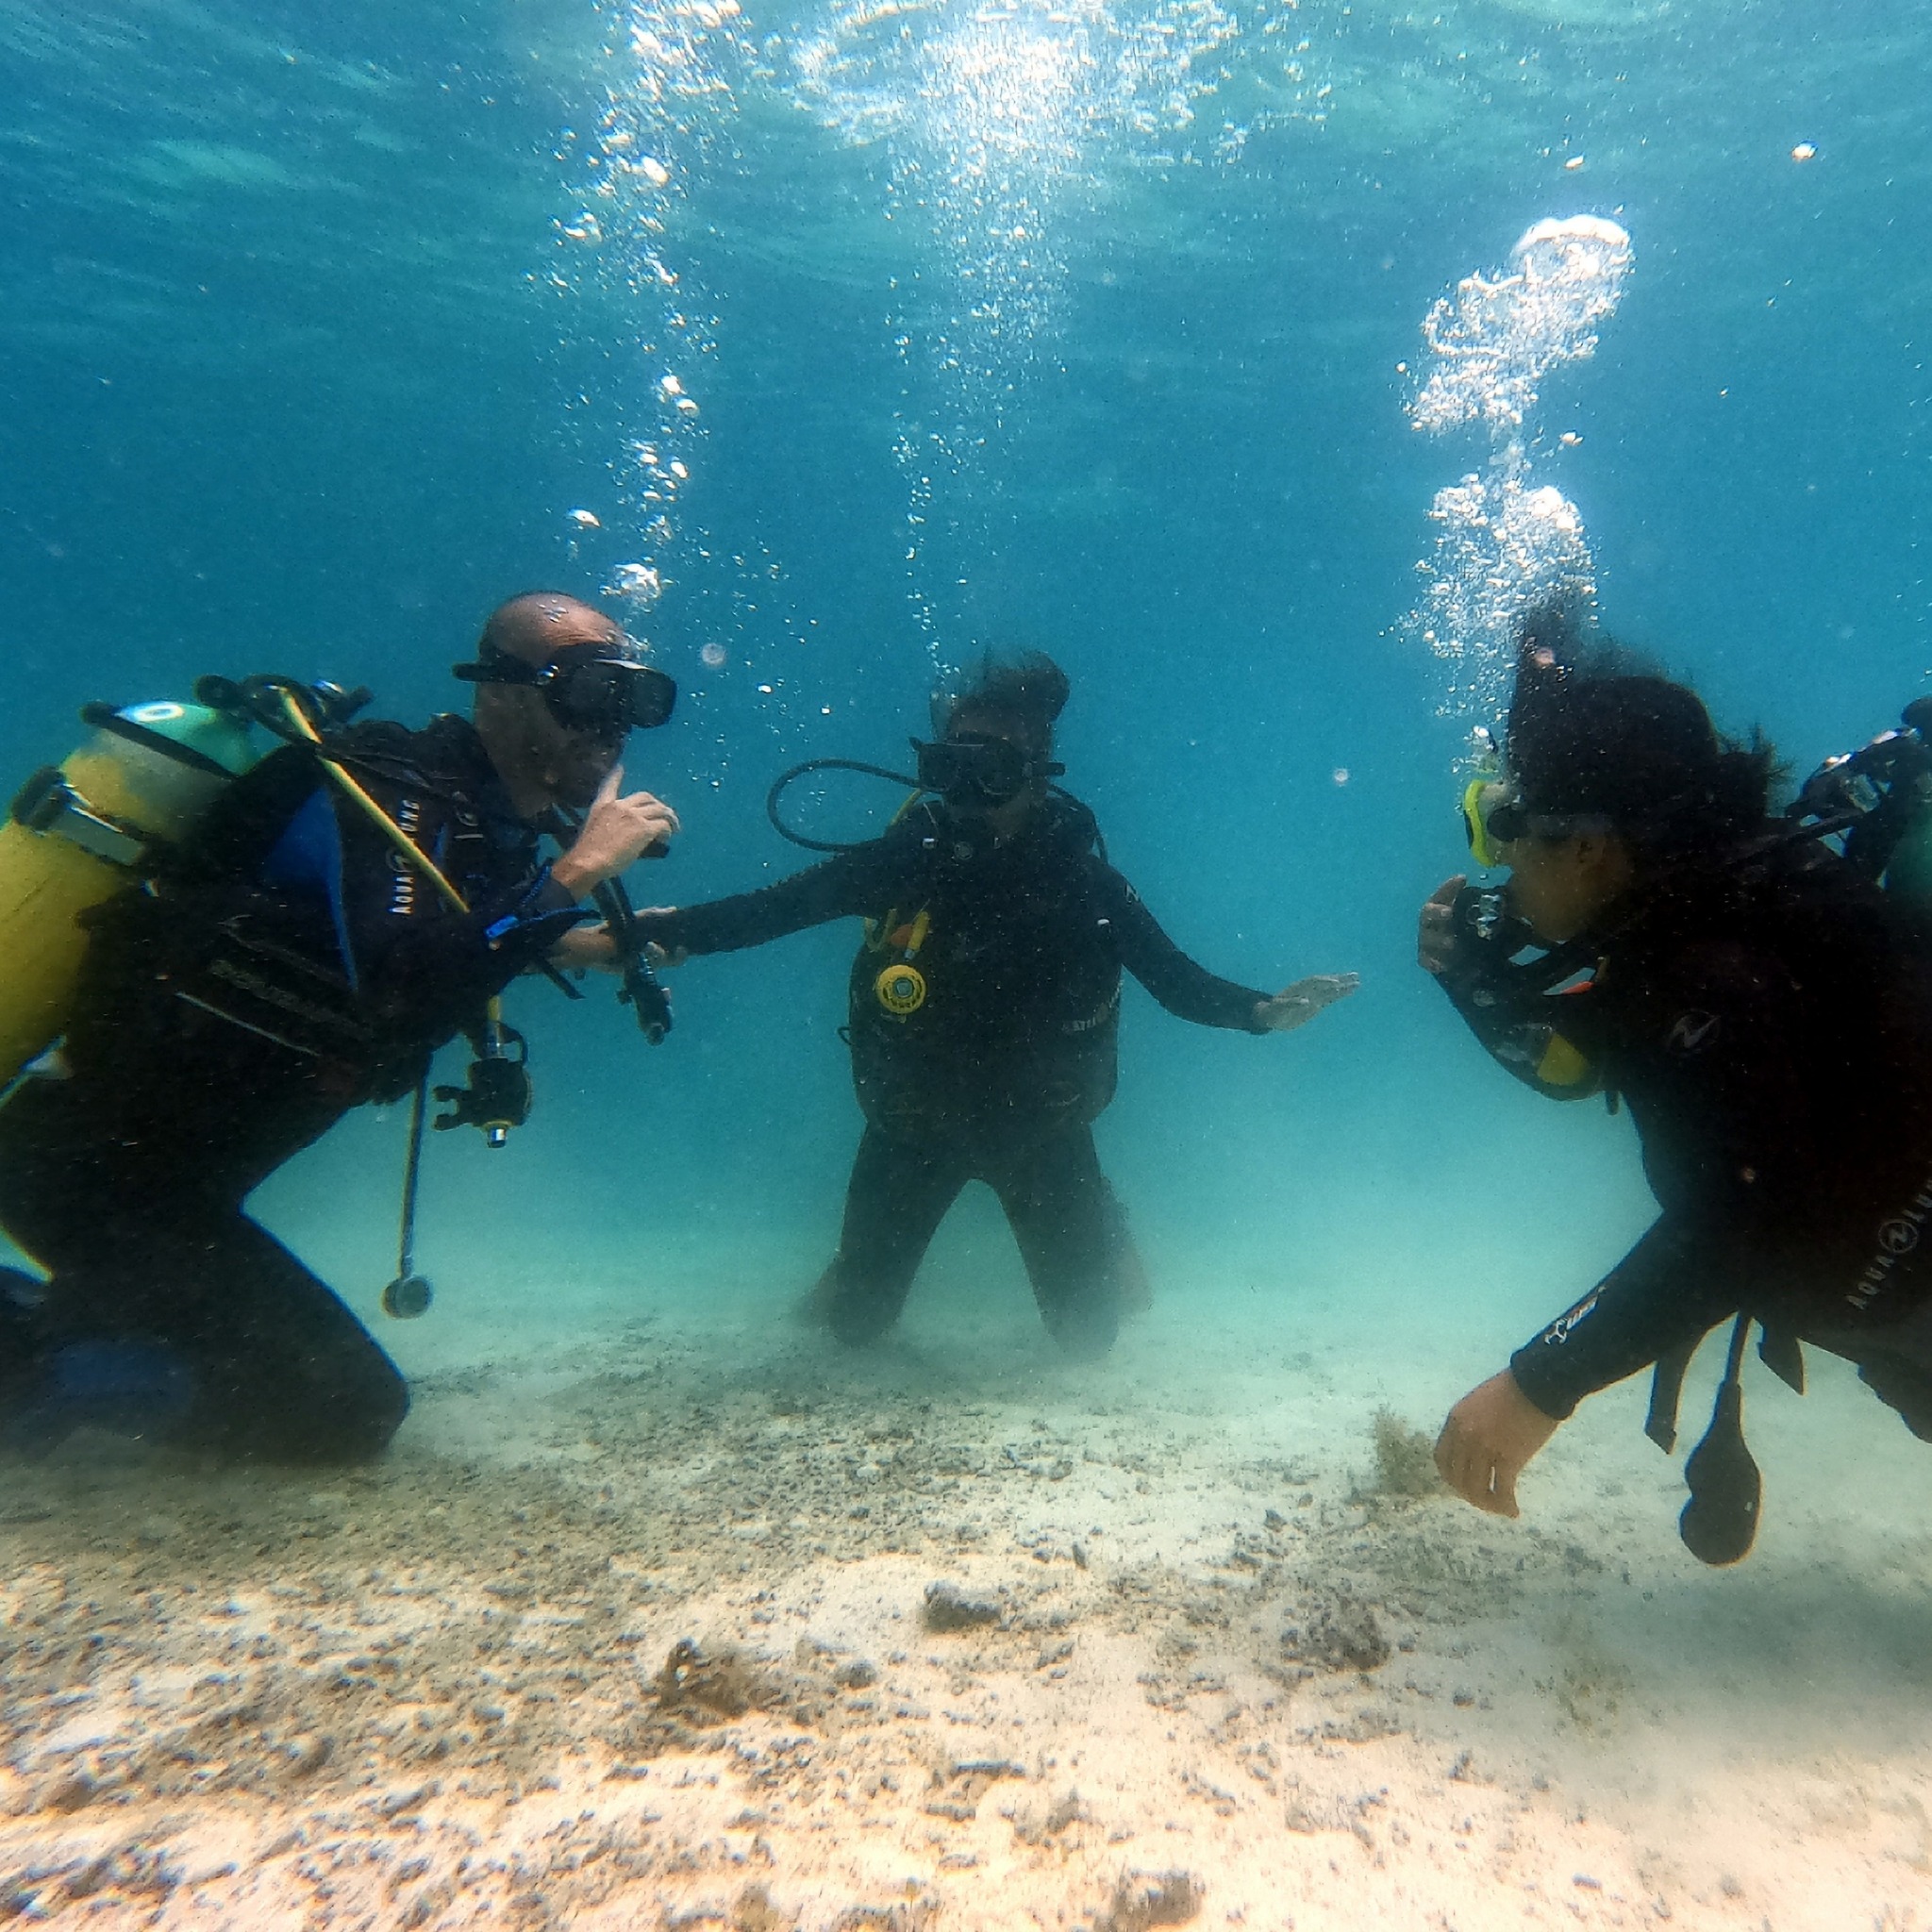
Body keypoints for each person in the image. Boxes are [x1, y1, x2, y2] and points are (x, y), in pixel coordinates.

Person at [0, 592, 679, 1464]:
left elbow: (421, 944)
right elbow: (400, 982)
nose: (613, 726)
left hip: (161, 1185)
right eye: (587, 692)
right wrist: (576, 874)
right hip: (97, 1179)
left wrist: (574, 941)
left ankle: (63, 1318)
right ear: (497, 692)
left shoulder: (482, 828)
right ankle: (34, 1369)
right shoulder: (388, 792)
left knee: (328, 1396)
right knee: (342, 1411)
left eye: (633, 698)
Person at [631, 651, 1357, 1360]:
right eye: (952, 767)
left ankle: (1104, 1216)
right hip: (912, 1127)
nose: (969, 791)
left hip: (1044, 1134)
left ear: (1038, 777)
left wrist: (1263, 1012)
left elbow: (1175, 980)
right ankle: (853, 1276)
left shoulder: (1087, 884)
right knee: (856, 1328)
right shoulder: (904, 861)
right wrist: (658, 932)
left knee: (1087, 1340)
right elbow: (775, 910)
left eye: (996, 769)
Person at [1420, 617, 1932, 1558]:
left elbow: (1739, 1219)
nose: (1502, 868)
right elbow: (1582, 1067)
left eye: (1509, 832)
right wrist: (1471, 984)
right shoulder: (1705, 915)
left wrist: (1539, 1380)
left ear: (1584, 847)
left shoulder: (1705, 969)